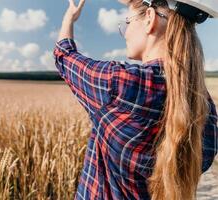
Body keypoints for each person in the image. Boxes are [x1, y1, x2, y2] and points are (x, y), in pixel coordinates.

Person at [53, 0, 218, 199]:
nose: (126, 33)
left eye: (128, 22)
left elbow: (64, 56)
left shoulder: (119, 84)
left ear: (149, 19)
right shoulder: (205, 108)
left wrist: (69, 18)